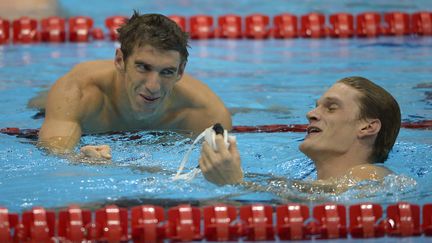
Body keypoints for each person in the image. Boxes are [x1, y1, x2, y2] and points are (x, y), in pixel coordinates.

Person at [37, 11, 232, 159]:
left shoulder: (206, 114)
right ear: (120, 61)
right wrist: (80, 160)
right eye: (143, 67)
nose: (153, 86)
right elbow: (53, 154)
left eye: (167, 72)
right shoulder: (78, 93)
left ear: (180, 72)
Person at [199, 76, 401, 191]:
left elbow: (327, 200)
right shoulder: (306, 184)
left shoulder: (373, 177)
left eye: (331, 108)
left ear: (368, 128)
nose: (310, 114)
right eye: (316, 106)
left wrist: (236, 183)